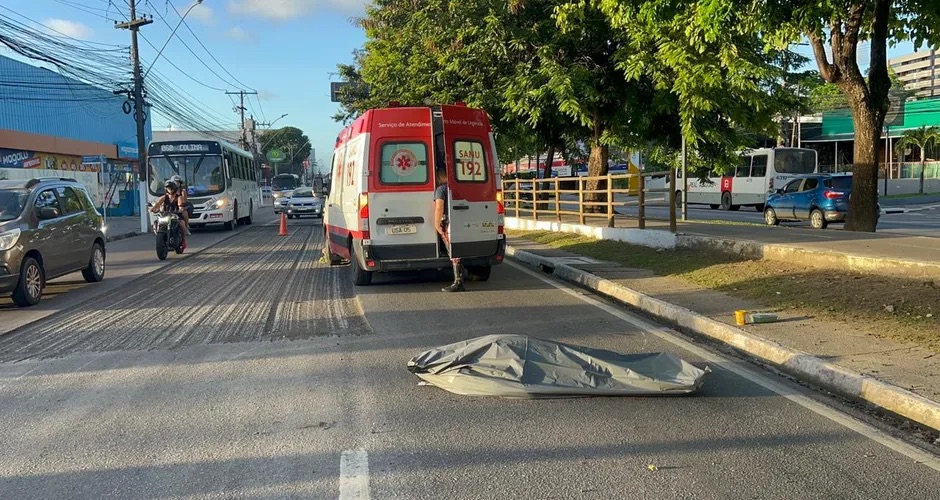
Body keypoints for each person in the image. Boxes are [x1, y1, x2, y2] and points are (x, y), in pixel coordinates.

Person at [434, 168, 465, 292]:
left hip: (448, 223)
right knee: (457, 251)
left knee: (452, 251)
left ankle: (458, 282)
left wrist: (437, 224)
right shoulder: (459, 187)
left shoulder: (441, 190)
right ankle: (459, 279)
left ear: (440, 178)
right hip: (460, 222)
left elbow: (439, 207)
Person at [150, 179, 189, 246]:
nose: (170, 189)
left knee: (182, 224)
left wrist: (180, 208)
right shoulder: (164, 197)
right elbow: (158, 204)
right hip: (165, 215)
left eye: (171, 188)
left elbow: (180, 204)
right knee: (156, 223)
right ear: (166, 189)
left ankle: (183, 240)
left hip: (176, 215)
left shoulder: (179, 197)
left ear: (175, 188)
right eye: (168, 188)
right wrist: (152, 209)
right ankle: (161, 237)